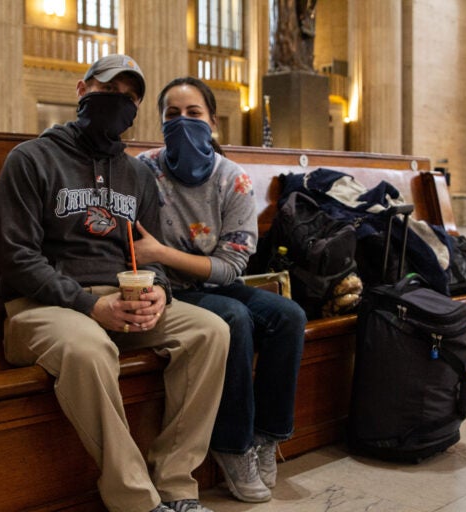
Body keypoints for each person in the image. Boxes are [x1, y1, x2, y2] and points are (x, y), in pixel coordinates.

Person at [0, 56, 230, 512]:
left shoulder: (137, 175)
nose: (118, 102)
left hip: (120, 300)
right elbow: (17, 257)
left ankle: (177, 483)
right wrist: (88, 305)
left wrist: (160, 291)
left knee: (211, 331)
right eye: (108, 90)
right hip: (41, 306)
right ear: (82, 89)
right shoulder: (32, 158)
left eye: (129, 97)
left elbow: (149, 253)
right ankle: (136, 500)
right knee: (89, 348)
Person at [133, 77, 307, 503]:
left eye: (194, 114)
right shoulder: (144, 170)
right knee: (234, 318)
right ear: (160, 124)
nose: (183, 123)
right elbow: (138, 251)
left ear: (212, 122)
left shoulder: (234, 179)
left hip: (214, 281)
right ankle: (232, 445)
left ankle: (267, 436)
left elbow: (231, 269)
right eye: (172, 116)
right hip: (169, 291)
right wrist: (159, 258)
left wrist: (163, 250)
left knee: (289, 316)